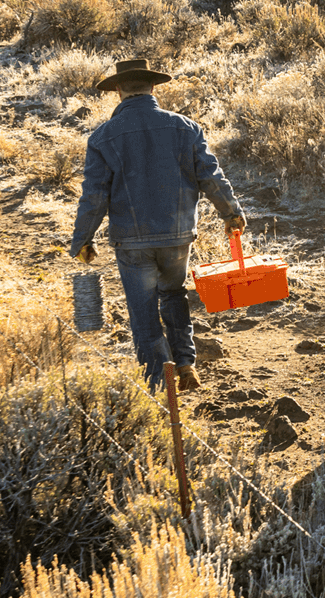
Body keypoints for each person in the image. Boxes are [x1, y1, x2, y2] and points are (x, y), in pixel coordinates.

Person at [69, 58, 247, 392]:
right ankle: (185, 364)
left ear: (119, 90)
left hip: (131, 242)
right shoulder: (186, 128)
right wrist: (231, 214)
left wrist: (82, 239)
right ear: (152, 87)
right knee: (174, 295)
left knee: (143, 310)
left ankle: (157, 378)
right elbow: (210, 175)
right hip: (177, 236)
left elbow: (94, 196)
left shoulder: (103, 137)